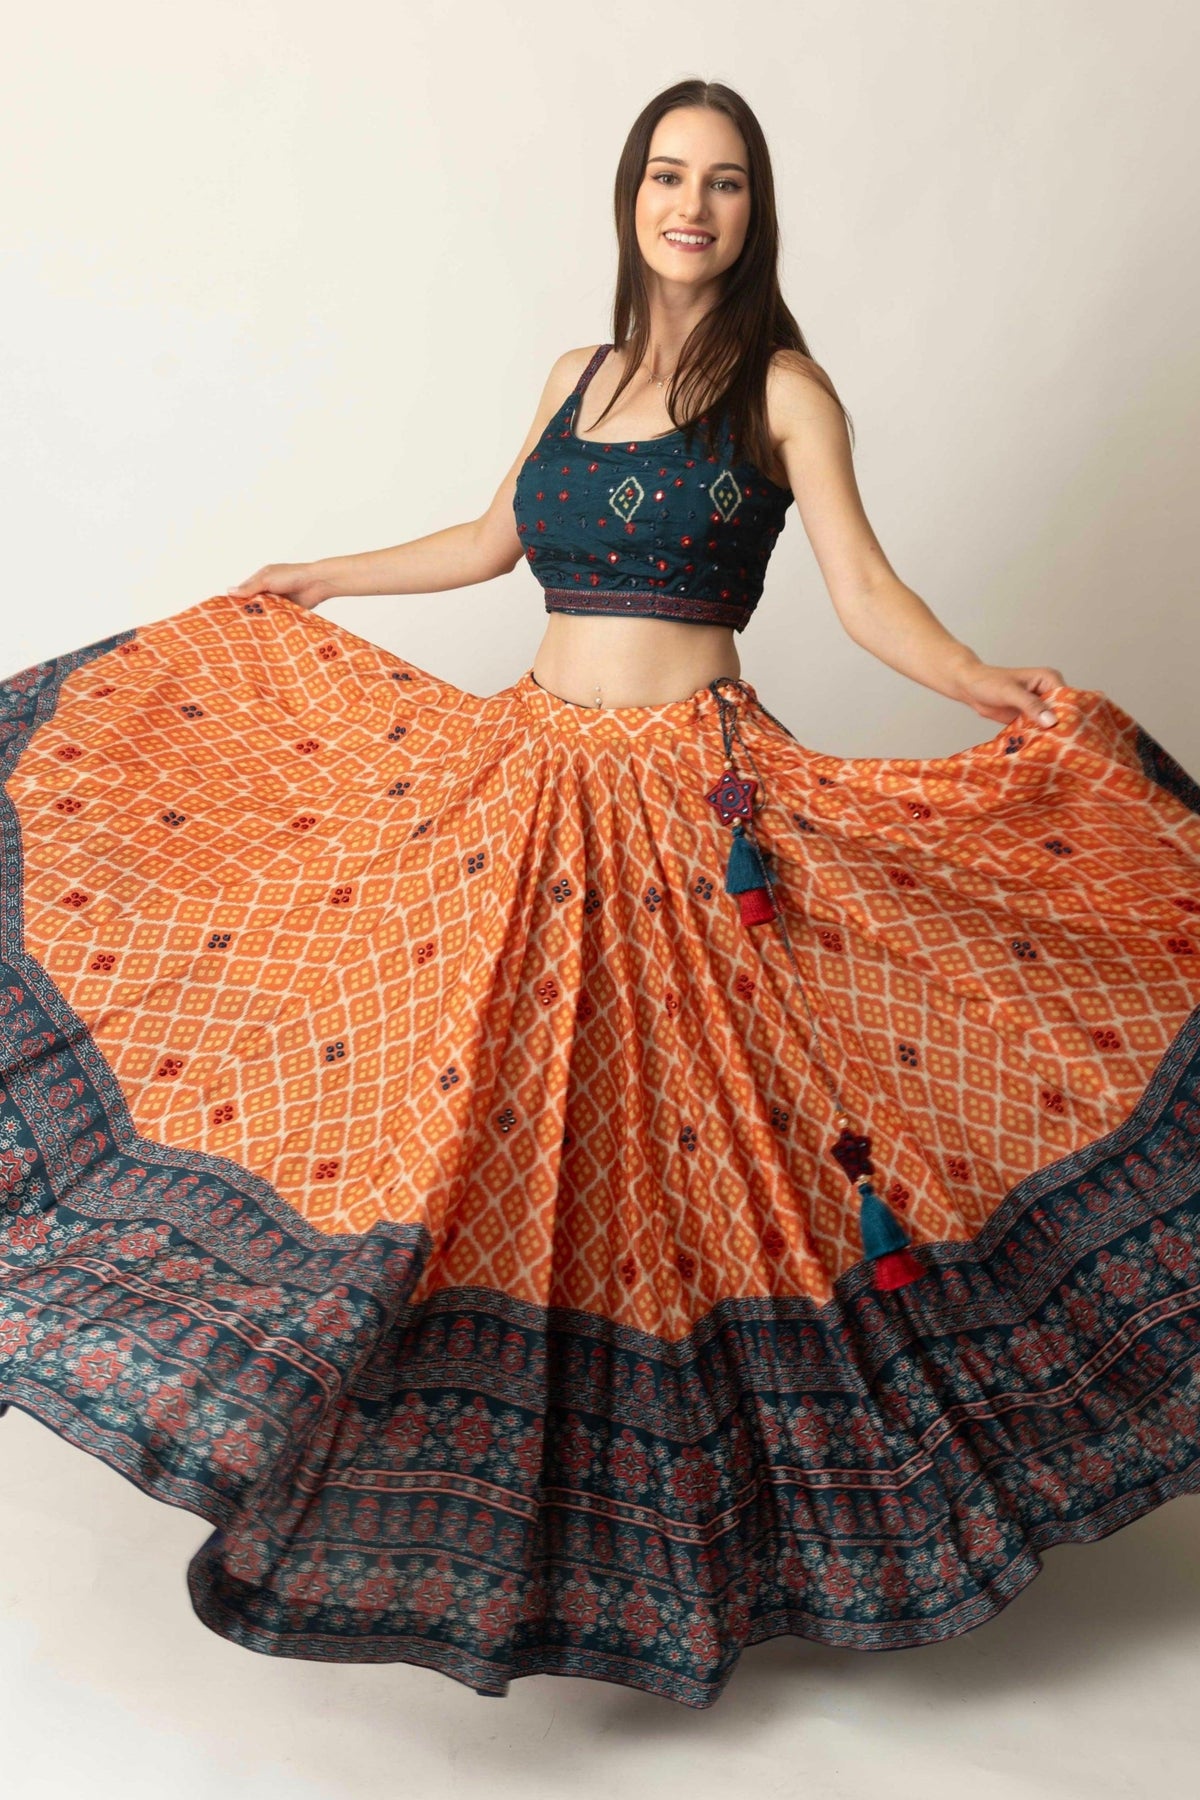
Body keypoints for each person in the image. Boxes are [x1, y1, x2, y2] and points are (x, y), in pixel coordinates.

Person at [1, 77, 1197, 1712]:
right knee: (474, 1119)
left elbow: (862, 588)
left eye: (723, 182)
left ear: (753, 212)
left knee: (721, 1152)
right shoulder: (575, 375)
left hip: (700, 809)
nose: (691, 206)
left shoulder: (783, 390)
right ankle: (498, 1510)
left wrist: (983, 680)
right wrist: (324, 572)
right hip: (530, 780)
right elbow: (492, 540)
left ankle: (747, 1528)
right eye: (667, 176)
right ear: (631, 198)